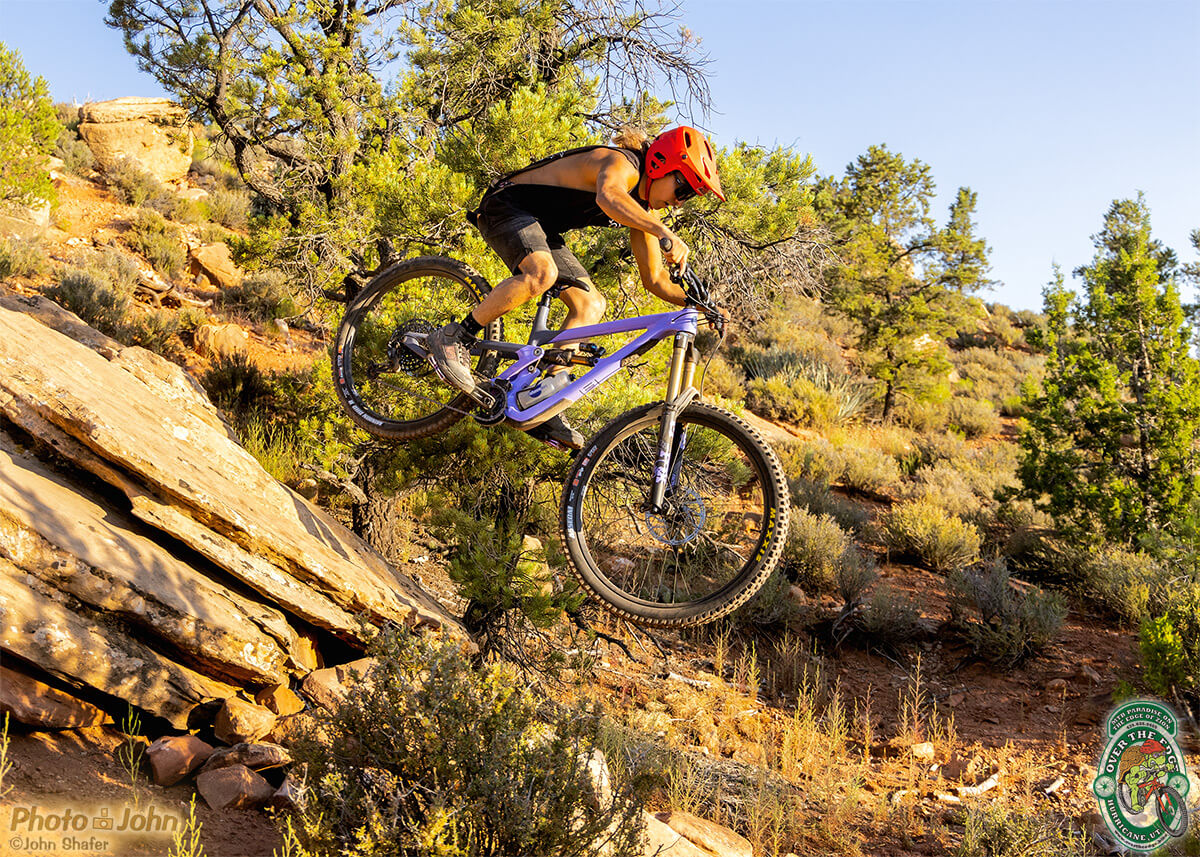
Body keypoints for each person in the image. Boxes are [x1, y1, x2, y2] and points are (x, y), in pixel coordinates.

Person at [426, 125, 725, 449]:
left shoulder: (644, 210)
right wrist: (664, 232)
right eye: (683, 191)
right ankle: (455, 336)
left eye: (689, 197)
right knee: (543, 274)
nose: (680, 203)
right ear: (662, 165)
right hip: (508, 204)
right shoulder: (622, 164)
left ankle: (542, 395)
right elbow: (608, 196)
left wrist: (700, 305)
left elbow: (654, 281)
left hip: (541, 229)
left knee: (590, 304)